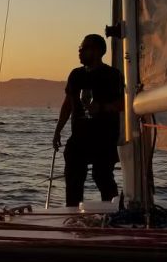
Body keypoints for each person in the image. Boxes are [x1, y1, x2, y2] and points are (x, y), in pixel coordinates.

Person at [52, 34, 124, 207]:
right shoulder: (76, 75)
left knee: (102, 176)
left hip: (104, 138)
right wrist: (58, 130)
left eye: (83, 48)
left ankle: (113, 214)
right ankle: (73, 217)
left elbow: (123, 103)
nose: (80, 52)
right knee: (73, 180)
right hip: (79, 138)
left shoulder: (112, 75)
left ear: (97, 51)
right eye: (80, 48)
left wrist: (102, 108)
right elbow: (68, 103)